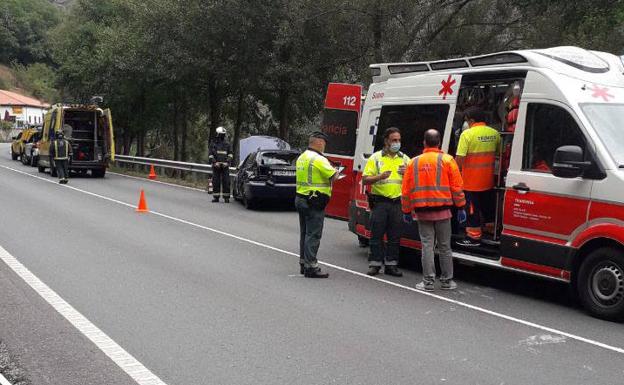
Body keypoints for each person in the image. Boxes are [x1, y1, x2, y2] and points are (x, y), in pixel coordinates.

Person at [402, 129, 466, 291]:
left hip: (422, 212)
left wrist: (406, 210)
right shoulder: (448, 160)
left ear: (424, 142)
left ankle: (428, 281)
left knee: (427, 246)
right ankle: (447, 281)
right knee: (445, 246)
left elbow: (406, 190)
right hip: (444, 212)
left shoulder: (414, 162)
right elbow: (457, 187)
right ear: (438, 143)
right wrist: (461, 207)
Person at [362, 127, 410, 277]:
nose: (397, 143)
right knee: (376, 234)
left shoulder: (405, 159)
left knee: (394, 236)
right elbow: (365, 180)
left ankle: (391, 265)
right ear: (386, 141)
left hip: (397, 203)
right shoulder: (376, 158)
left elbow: (414, 180)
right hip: (380, 202)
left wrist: (407, 173)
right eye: (394, 140)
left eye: (399, 140)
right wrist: (379, 177)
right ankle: (375, 264)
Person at [455, 107, 501, 247]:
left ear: (471, 120)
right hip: (488, 181)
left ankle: (473, 238)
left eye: (466, 121)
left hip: (471, 182)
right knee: (488, 208)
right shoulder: (495, 133)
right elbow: (499, 153)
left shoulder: (467, 134)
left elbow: (459, 159)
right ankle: (492, 232)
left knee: (472, 210)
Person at [295, 131, 337, 278]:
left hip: (301, 198)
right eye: (324, 143)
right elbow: (334, 175)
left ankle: (303, 263)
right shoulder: (319, 159)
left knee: (304, 233)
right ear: (319, 142)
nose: (324, 146)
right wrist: (337, 170)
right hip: (314, 201)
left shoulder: (302, 157)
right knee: (313, 234)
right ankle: (311, 267)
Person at [209, 126, 234, 203]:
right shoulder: (213, 144)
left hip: (225, 166)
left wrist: (227, 162)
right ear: (218, 134)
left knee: (226, 182)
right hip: (216, 166)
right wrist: (214, 162)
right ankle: (216, 197)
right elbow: (210, 155)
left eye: (224, 134)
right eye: (221, 134)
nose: (223, 135)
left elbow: (230, 154)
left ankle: (226, 197)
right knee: (216, 182)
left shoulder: (227, 144)